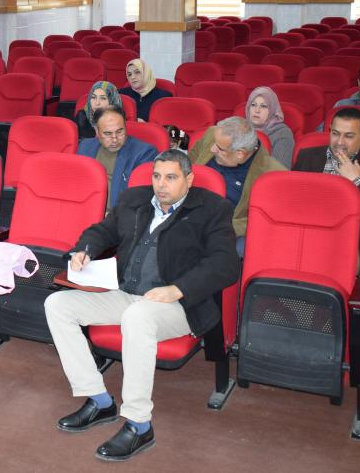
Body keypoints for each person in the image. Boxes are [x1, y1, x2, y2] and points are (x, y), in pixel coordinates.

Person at [45, 149, 239, 462]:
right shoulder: (134, 199)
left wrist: (178, 289)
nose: (161, 184)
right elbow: (102, 231)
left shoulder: (213, 209)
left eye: (171, 177)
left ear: (189, 179)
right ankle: (99, 399)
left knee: (137, 316)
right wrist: (84, 250)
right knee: (57, 304)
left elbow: (225, 264)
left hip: (178, 305)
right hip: (126, 294)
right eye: (157, 176)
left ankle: (139, 424)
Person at [293, 107, 360, 273]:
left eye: (349, 136)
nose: (339, 142)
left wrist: (356, 180)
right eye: (335, 133)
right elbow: (292, 201)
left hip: (350, 239)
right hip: (308, 232)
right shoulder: (307, 157)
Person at [188, 116, 286, 255]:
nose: (212, 149)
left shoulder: (272, 176)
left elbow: (261, 219)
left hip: (225, 228)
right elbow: (186, 166)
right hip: (188, 213)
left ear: (239, 154)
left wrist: (221, 227)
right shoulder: (213, 135)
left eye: (220, 149)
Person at [78, 107, 157, 209]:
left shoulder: (144, 153)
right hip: (85, 209)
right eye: (107, 133)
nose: (115, 139)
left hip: (117, 213)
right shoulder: (85, 147)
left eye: (119, 131)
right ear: (97, 131)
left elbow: (139, 199)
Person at [245, 86, 294, 168]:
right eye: (253, 105)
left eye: (263, 106)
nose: (257, 110)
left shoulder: (282, 133)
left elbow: (279, 169)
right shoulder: (240, 128)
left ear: (272, 110)